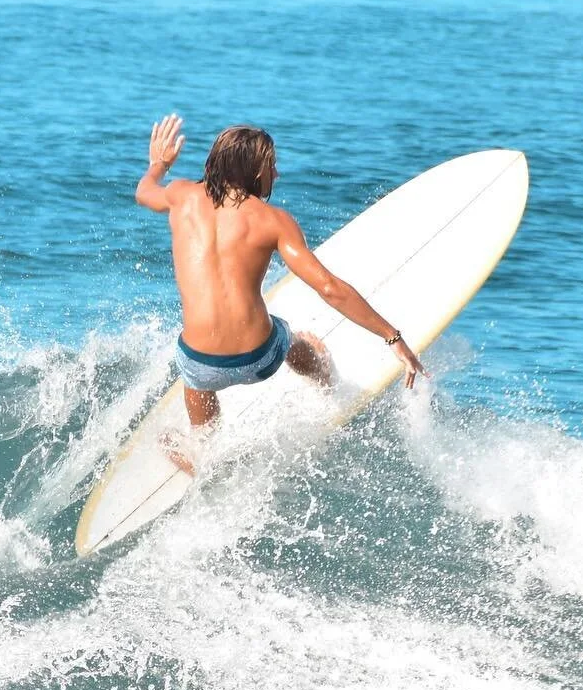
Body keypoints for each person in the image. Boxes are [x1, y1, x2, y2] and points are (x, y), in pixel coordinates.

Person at [135, 114, 426, 476]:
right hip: (260, 357)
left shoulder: (180, 196)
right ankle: (323, 377)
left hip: (201, 363)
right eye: (272, 166)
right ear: (255, 172)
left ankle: (201, 449)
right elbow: (328, 287)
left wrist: (159, 164)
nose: (277, 174)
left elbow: (143, 192)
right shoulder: (274, 221)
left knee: (195, 380)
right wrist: (392, 337)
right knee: (289, 338)